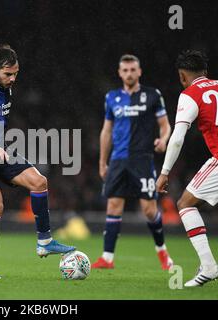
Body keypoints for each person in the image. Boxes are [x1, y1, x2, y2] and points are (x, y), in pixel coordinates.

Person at [0, 44, 75, 279]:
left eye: (15, 74)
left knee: (39, 181)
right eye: (7, 74)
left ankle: (44, 241)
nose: (12, 79)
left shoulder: (5, 88)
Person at [156, 50, 218, 287]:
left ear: (182, 76)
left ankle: (209, 267)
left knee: (185, 203)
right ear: (205, 72)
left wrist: (165, 172)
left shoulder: (190, 94)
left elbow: (178, 137)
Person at [92, 54, 174, 270]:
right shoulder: (111, 97)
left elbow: (165, 125)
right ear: (120, 73)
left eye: (132, 70)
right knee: (113, 205)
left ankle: (163, 252)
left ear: (139, 72)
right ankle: (107, 258)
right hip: (118, 159)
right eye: (125, 70)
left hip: (142, 159)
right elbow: (106, 130)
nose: (129, 73)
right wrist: (102, 162)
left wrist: (163, 140)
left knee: (148, 209)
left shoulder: (152, 95)